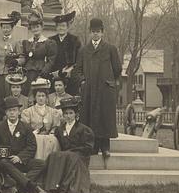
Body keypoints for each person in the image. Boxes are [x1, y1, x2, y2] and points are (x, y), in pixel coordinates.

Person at [73, 18, 122, 160]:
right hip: (89, 90)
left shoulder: (110, 49)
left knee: (104, 118)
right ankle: (92, 146)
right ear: (90, 32)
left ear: (102, 32)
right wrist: (83, 81)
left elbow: (117, 68)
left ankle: (105, 148)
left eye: (98, 32)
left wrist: (109, 81)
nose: (96, 34)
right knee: (89, 117)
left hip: (105, 90)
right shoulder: (84, 50)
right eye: (93, 32)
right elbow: (77, 70)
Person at [0, 96, 47, 193]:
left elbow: (32, 146)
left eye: (14, 110)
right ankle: (32, 186)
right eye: (9, 110)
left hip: (20, 161)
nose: (12, 113)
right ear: (6, 112)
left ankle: (17, 185)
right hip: (5, 162)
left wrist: (20, 157)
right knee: (3, 162)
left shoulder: (26, 127)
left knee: (41, 164)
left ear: (19, 112)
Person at [43, 96, 94, 193]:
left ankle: (66, 188)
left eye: (71, 113)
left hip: (80, 156)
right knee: (54, 155)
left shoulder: (84, 129)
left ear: (76, 114)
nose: (68, 116)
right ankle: (53, 185)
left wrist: (72, 151)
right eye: (66, 113)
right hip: (65, 155)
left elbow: (88, 148)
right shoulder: (59, 129)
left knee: (70, 156)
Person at [14, 11, 56, 95]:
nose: (35, 29)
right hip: (28, 73)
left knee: (39, 94)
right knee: (27, 94)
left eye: (37, 27)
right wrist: (17, 61)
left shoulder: (48, 43)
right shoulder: (26, 42)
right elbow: (24, 58)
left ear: (41, 27)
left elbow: (51, 61)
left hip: (41, 73)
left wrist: (43, 73)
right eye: (33, 27)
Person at [22, 77, 63, 161]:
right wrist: (35, 132)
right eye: (39, 96)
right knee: (37, 140)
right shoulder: (28, 112)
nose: (41, 98)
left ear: (46, 98)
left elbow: (56, 126)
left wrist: (51, 133)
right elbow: (25, 127)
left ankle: (51, 163)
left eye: (43, 96)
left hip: (49, 137)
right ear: (35, 97)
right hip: (34, 136)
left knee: (53, 140)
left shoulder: (53, 112)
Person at [49, 10, 82, 96]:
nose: (61, 28)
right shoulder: (51, 40)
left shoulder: (74, 40)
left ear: (67, 27)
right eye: (59, 26)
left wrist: (69, 70)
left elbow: (79, 59)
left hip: (70, 76)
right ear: (56, 27)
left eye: (63, 26)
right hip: (55, 75)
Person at [0, 11, 22, 99]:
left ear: (12, 28)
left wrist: (15, 61)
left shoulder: (16, 42)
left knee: (8, 95)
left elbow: (22, 58)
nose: (6, 29)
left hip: (10, 73)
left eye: (8, 27)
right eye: (4, 27)